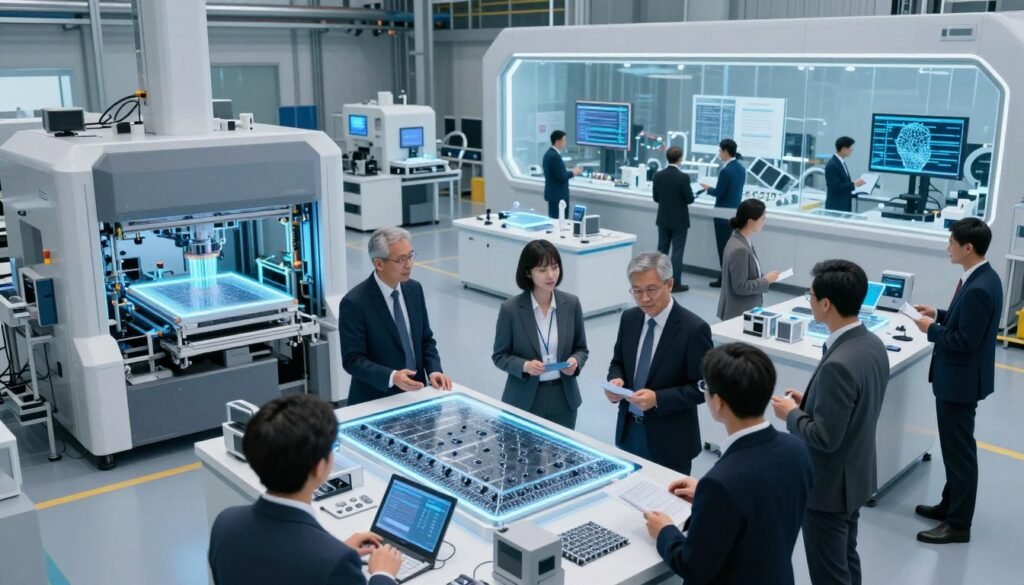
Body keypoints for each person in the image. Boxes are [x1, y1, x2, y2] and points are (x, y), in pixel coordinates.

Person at [643, 343, 812, 585]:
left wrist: (665, 531)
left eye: (705, 386)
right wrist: (705, 496)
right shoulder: (797, 450)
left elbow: (693, 566)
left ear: (719, 402)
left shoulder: (721, 483)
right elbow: (761, 506)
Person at [771, 259, 889, 585]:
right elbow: (854, 408)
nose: (807, 301)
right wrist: (809, 403)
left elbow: (825, 437)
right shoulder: (871, 345)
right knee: (846, 559)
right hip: (856, 477)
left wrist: (791, 415)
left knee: (829, 574)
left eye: (809, 295)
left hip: (828, 489)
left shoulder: (840, 362)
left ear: (825, 303)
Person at [209, 394, 401, 585]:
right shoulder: (335, 563)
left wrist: (336, 550)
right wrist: (382, 575)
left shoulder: (226, 524)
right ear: (319, 467)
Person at [911, 217, 1002, 544]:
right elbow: (965, 322)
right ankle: (950, 506)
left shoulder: (978, 288)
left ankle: (959, 524)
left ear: (968, 247)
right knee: (954, 448)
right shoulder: (981, 278)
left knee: (960, 453)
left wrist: (930, 330)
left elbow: (964, 340)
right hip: (960, 380)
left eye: (951, 243)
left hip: (960, 383)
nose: (947, 247)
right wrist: (937, 314)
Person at [606, 251, 712, 475]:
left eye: (651, 290)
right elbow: (618, 362)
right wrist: (615, 380)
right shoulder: (630, 319)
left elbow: (705, 388)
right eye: (637, 291)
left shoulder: (693, 329)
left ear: (670, 284)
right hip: (629, 431)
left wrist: (658, 399)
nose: (644, 298)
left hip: (670, 441)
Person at [340, 227, 452, 406]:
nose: (409, 264)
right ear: (379, 264)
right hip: (376, 400)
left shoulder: (414, 289)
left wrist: (434, 371)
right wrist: (392, 377)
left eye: (410, 256)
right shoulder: (355, 303)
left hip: (417, 394)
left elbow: (425, 340)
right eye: (401, 259)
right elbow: (353, 360)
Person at [492, 240, 589, 429]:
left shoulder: (571, 304)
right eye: (542, 270)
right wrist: (525, 365)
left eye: (555, 267)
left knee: (563, 455)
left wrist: (575, 361)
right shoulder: (511, 309)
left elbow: (581, 348)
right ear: (528, 272)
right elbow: (499, 356)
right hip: (525, 397)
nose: (551, 275)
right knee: (525, 456)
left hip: (564, 397)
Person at [717, 198, 781, 321]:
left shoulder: (741, 240)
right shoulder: (740, 249)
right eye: (762, 219)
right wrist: (765, 281)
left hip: (742, 310)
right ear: (751, 221)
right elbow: (740, 286)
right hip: (739, 313)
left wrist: (765, 279)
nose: (764, 222)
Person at [700, 139, 745, 288]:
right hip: (733, 212)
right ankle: (728, 277)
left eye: (720, 151)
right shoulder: (740, 168)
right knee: (730, 248)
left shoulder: (726, 171)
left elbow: (719, 192)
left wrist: (707, 188)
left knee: (723, 249)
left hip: (721, 215)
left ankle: (724, 279)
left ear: (726, 151)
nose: (719, 153)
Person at [653, 146, 695, 293]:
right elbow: (689, 199)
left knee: (661, 250)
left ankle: (658, 280)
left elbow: (656, 198)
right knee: (677, 252)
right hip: (680, 220)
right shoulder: (683, 177)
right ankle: (675, 284)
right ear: (680, 159)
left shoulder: (658, 175)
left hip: (663, 218)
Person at [542, 130, 583, 219]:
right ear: (557, 141)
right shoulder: (554, 156)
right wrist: (573, 172)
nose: (565, 143)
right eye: (564, 140)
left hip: (554, 195)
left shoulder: (549, 154)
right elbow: (561, 176)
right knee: (560, 222)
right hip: (558, 196)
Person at [824, 136, 866, 212]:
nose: (852, 150)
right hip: (835, 207)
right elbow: (835, 187)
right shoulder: (832, 165)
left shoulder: (841, 162)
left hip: (843, 206)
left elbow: (842, 183)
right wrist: (853, 184)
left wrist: (854, 184)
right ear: (843, 149)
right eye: (850, 148)